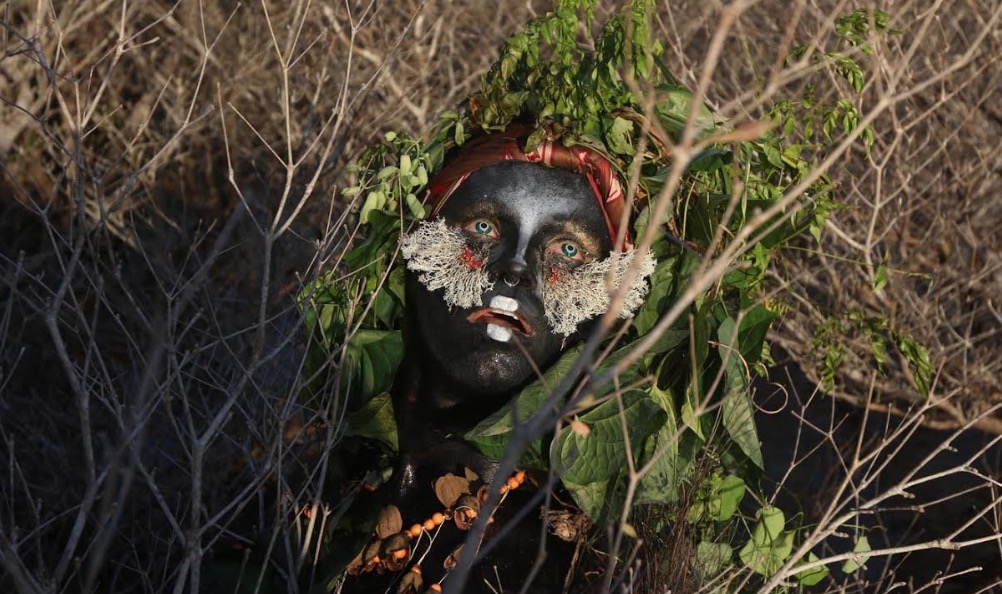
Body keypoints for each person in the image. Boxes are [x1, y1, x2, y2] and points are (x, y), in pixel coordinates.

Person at [341, 124, 654, 594]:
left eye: (567, 251)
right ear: (408, 249)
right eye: (483, 228)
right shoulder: (304, 472)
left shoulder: (573, 565)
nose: (516, 268)